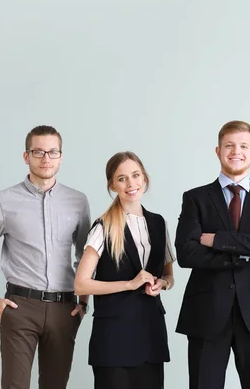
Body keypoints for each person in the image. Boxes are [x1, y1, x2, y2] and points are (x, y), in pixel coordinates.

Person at [0, 125, 91, 389]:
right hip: (20, 306)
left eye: (52, 152)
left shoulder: (78, 201)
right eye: (38, 152)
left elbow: (84, 257)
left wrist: (83, 303)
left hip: (64, 309)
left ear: (60, 156)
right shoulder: (3, 200)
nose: (46, 158)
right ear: (27, 157)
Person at [175, 120, 250, 389]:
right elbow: (187, 252)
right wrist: (248, 249)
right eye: (229, 145)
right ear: (218, 151)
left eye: (243, 146)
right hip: (207, 311)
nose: (235, 151)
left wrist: (217, 239)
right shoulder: (195, 198)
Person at [74, 151, 175, 389]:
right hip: (114, 339)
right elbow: (81, 284)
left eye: (135, 175)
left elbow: (169, 275)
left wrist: (163, 284)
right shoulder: (104, 227)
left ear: (144, 178)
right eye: (122, 178)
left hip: (151, 334)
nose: (131, 183)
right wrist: (129, 284)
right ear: (112, 185)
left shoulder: (159, 224)